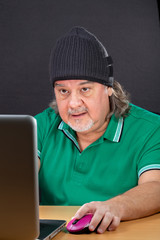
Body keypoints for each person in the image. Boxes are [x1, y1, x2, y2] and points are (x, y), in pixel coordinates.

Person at [35, 26, 160, 234]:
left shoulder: (150, 129)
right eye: (63, 91)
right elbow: (12, 179)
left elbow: (156, 187)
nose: (73, 103)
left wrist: (114, 207)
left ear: (109, 88)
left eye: (85, 89)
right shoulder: (41, 126)